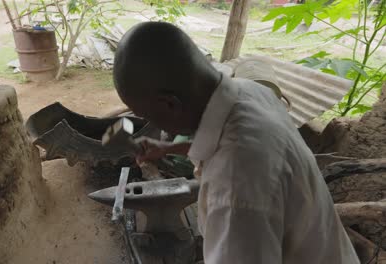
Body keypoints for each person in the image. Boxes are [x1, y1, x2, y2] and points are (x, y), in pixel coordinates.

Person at [113, 21, 359, 263]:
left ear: (169, 104)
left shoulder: (236, 188)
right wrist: (171, 148)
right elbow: (231, 141)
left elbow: (240, 167)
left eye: (147, 115)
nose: (152, 123)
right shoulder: (251, 92)